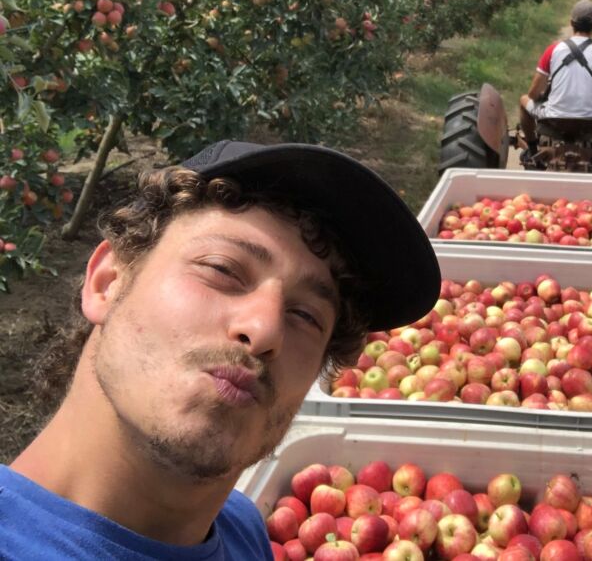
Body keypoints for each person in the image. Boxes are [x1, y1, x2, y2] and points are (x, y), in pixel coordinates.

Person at [0, 141, 441, 559]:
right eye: (222, 269)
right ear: (107, 282)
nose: (265, 329)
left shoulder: (243, 529)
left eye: (306, 316)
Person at [519, 0, 592, 165]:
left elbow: (533, 94)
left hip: (554, 118)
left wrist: (543, 96)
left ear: (571, 23)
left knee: (523, 100)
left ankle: (532, 148)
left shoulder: (553, 49)